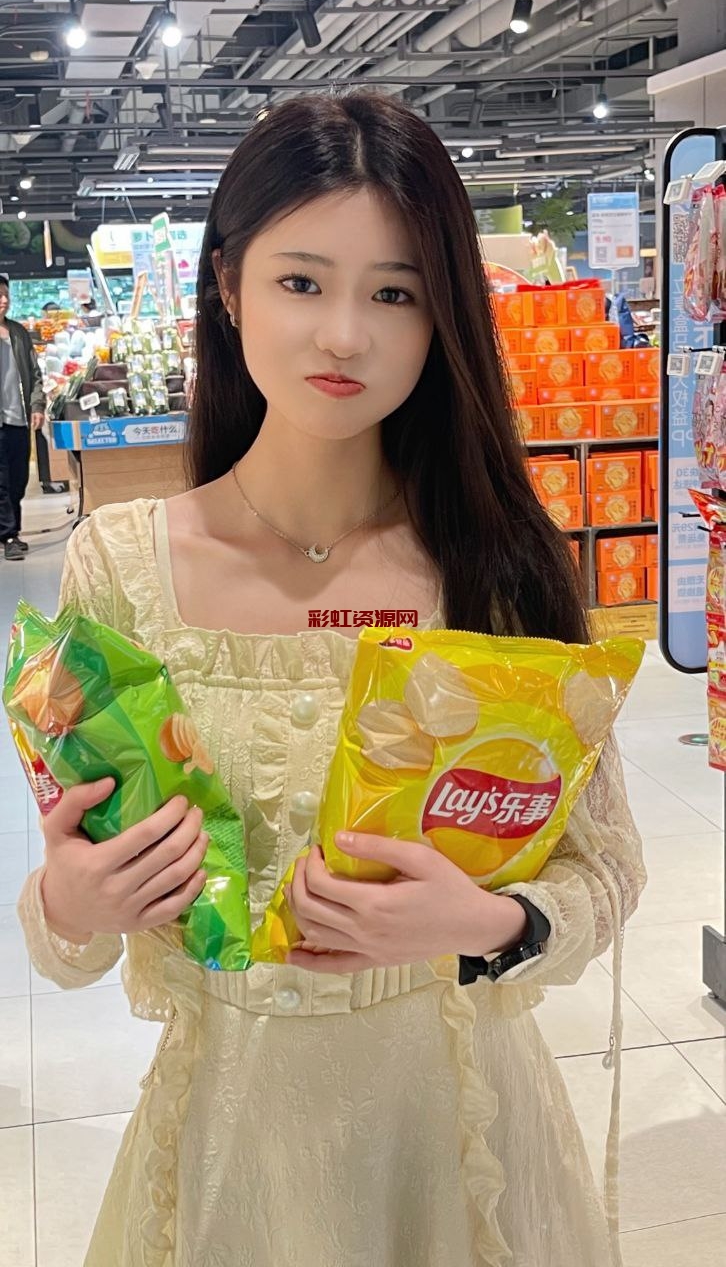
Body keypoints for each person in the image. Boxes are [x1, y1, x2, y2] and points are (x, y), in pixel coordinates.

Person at [17, 91, 644, 1267]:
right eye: (302, 281)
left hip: (464, 1143)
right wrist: (73, 901)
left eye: (395, 292)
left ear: (442, 312)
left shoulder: (495, 558)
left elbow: (605, 866)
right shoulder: (122, 565)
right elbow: (69, 928)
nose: (345, 335)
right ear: (226, 284)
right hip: (230, 1155)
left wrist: (490, 922)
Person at [0, 275, 46, 560]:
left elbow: (35, 373)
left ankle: (11, 530)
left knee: (18, 479)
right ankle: (9, 535)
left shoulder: (18, 333)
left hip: (18, 418)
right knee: (2, 481)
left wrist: (37, 405)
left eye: (6, 294)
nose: (4, 300)